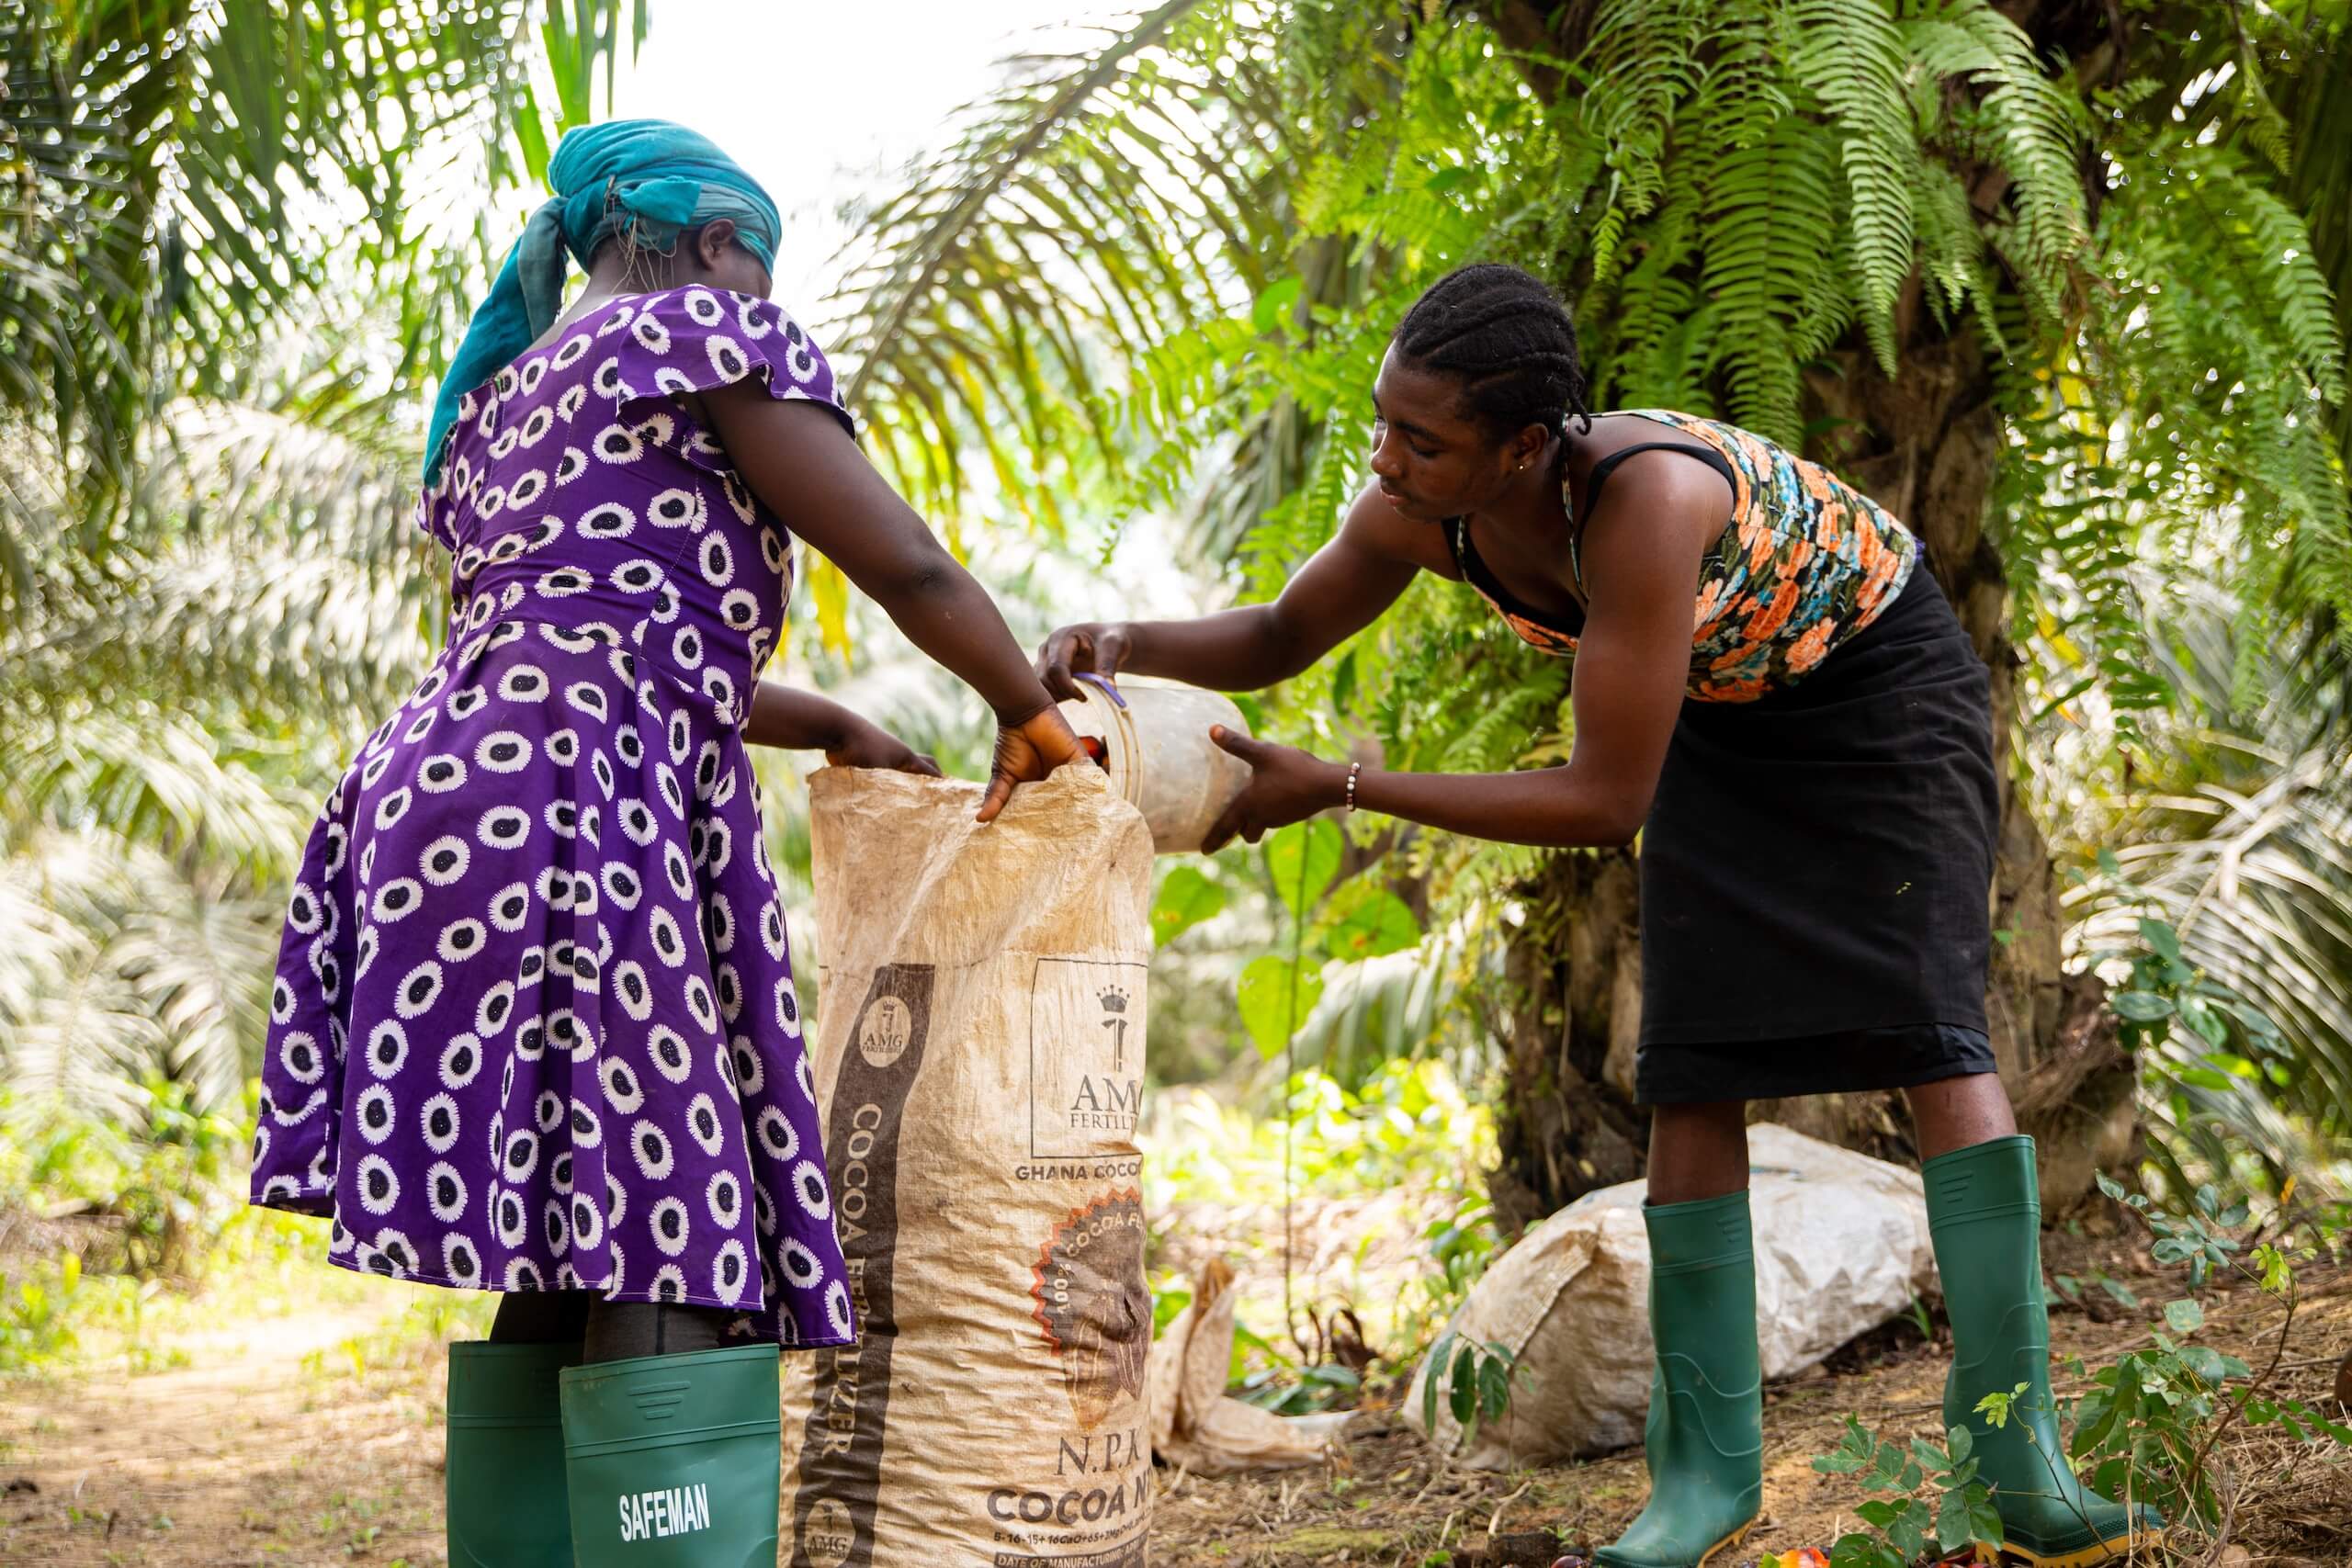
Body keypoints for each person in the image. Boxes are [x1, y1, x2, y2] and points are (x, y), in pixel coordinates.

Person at [1038, 263, 2160, 1568]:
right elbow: (1286, 632)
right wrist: (1124, 639)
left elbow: (1604, 798)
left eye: (1422, 439)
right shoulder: (1417, 510)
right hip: (1718, 712)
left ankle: (2020, 1464)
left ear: (1525, 446)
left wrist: (1339, 787)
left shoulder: (1648, 501)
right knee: (1695, 1063)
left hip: (1876, 695)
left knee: (1933, 1035)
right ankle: (1705, 1483)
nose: (1387, 461)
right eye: (1385, 425)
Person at [251, 120, 1082, 1568]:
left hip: (444, 801)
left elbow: (600, 626)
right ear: (712, 245)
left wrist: (833, 722)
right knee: (666, 1208)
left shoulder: (507, 400)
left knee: (578, 1207)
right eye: (761, 270)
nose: (768, 304)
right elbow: (904, 562)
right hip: (576, 799)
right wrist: (1032, 714)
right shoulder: (699, 334)